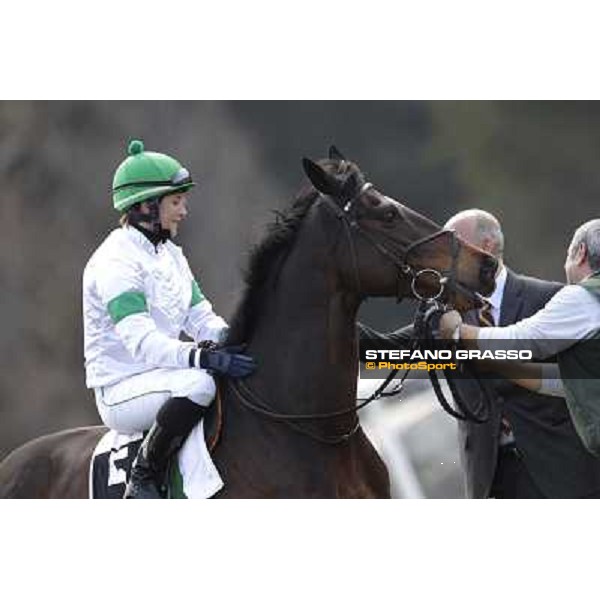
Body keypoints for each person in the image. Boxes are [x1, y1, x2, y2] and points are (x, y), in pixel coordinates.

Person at [360, 210, 600, 498]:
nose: (442, 252)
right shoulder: (441, 316)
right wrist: (326, 312)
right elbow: (382, 354)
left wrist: (460, 336)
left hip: (563, 475)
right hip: (490, 479)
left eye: (453, 242)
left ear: (485, 247)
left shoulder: (553, 300)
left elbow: (564, 377)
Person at [83, 139, 256, 499]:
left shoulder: (171, 256)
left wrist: (239, 341)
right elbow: (143, 343)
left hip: (162, 375)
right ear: (146, 206)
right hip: (120, 391)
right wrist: (203, 356)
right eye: (176, 202)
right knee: (201, 384)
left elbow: (202, 319)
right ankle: (144, 474)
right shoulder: (115, 262)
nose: (184, 212)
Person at [439, 218, 600, 468]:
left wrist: (459, 332)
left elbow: (521, 341)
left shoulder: (582, 297)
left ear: (580, 253)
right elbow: (566, 381)